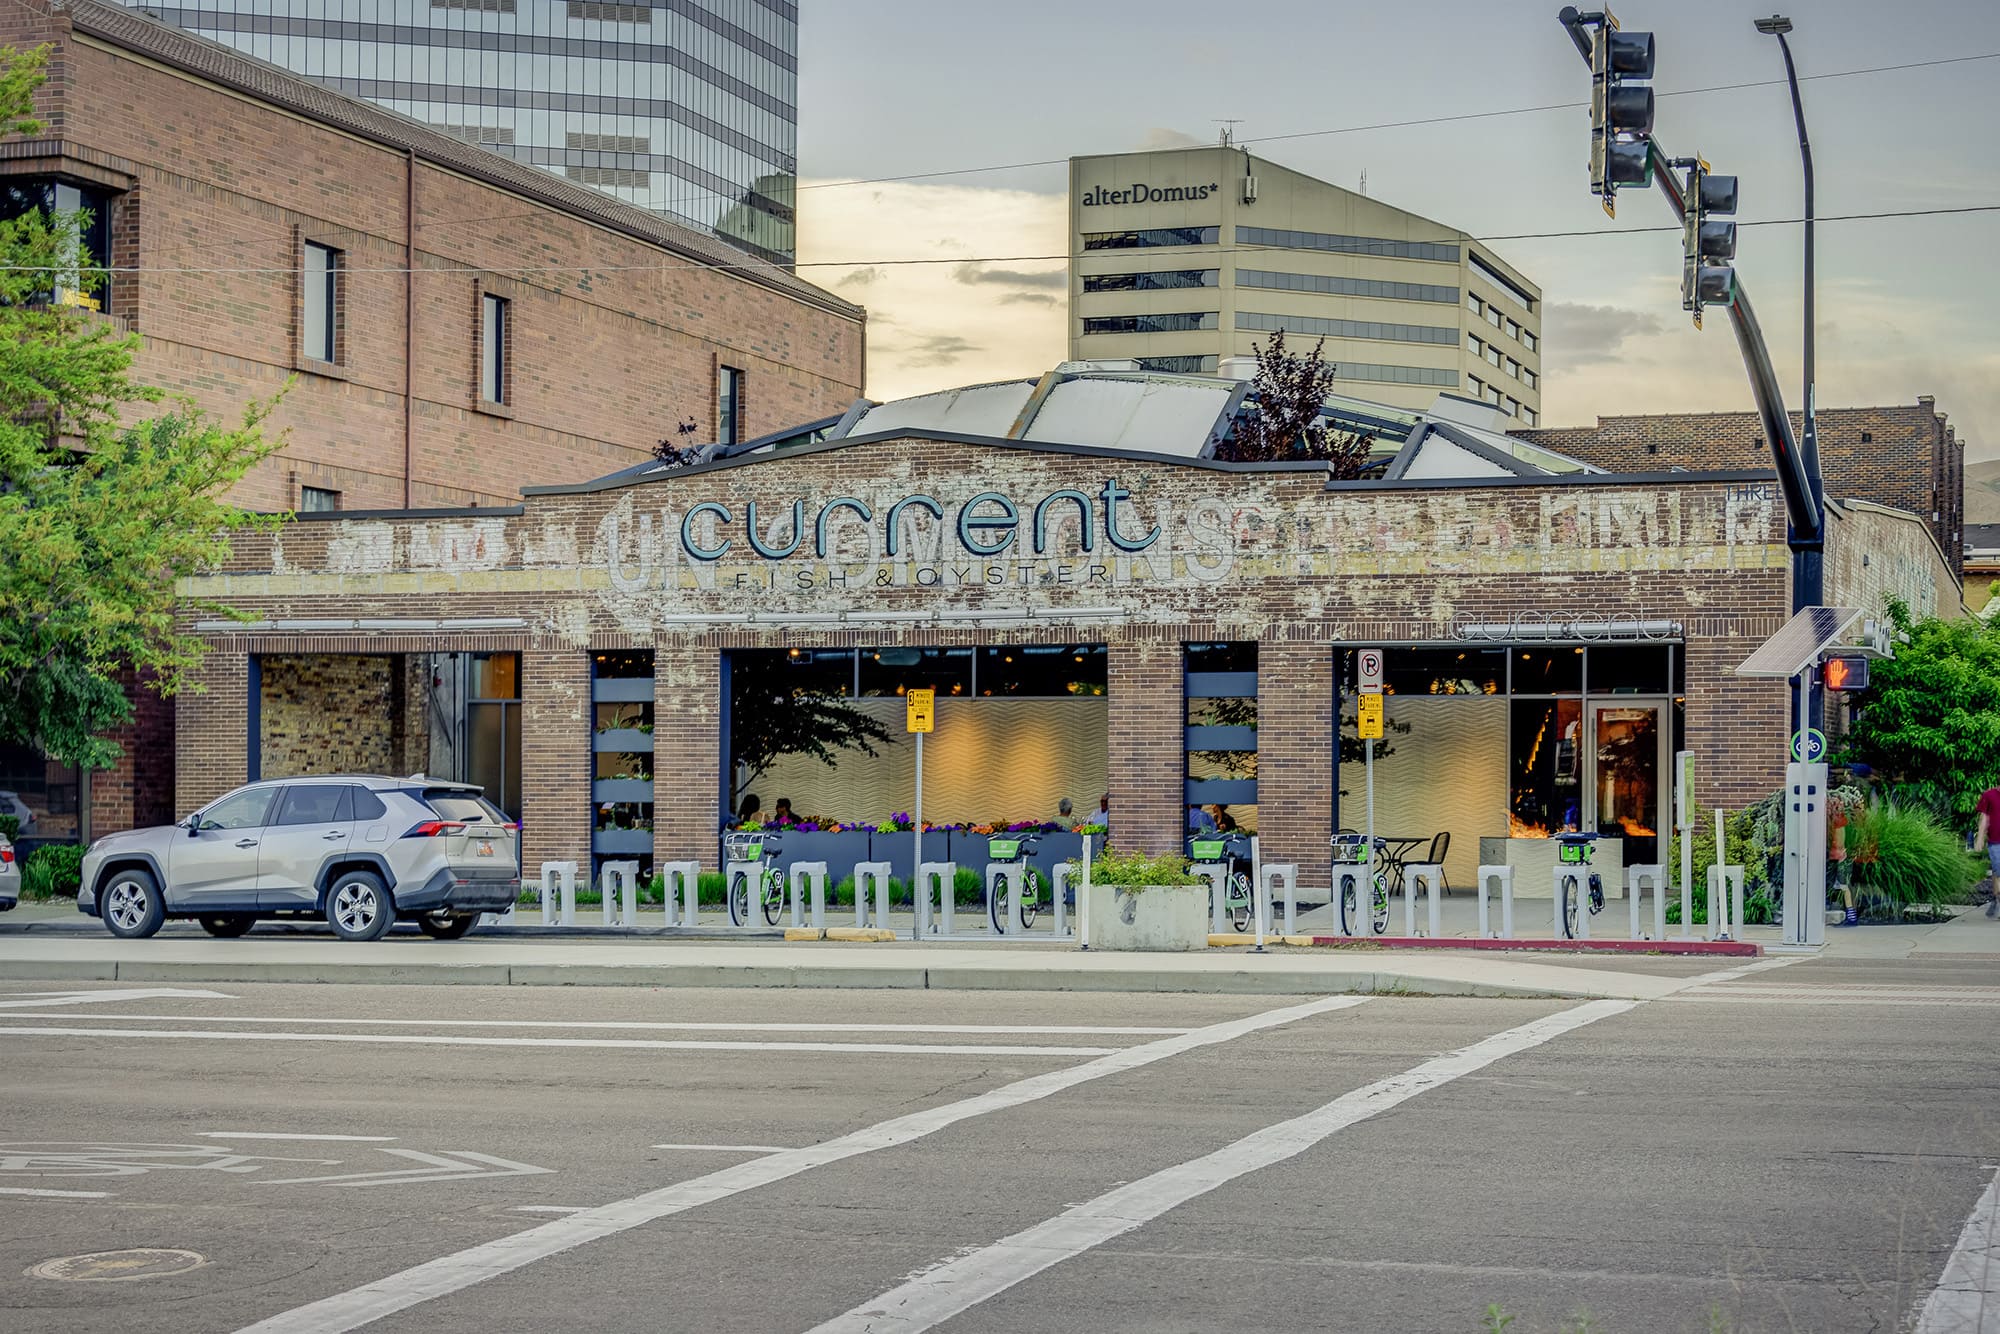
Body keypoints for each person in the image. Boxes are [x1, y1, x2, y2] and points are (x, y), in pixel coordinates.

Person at [1976, 785, 2000, 917]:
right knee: (1999, 870)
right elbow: (1984, 818)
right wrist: (1980, 837)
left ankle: (1996, 900)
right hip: (1996, 841)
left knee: (1998, 872)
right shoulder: (1989, 795)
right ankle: (1997, 900)